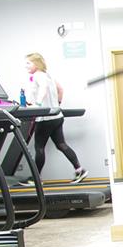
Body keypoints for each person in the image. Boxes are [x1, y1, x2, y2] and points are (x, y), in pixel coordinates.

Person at [23, 52, 88, 184]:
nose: (26, 66)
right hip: (57, 116)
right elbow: (60, 89)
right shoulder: (49, 75)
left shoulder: (38, 76)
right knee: (61, 144)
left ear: (36, 63)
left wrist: (38, 104)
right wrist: (57, 104)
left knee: (39, 147)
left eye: (28, 63)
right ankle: (79, 169)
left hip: (45, 118)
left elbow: (43, 89)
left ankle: (36, 178)